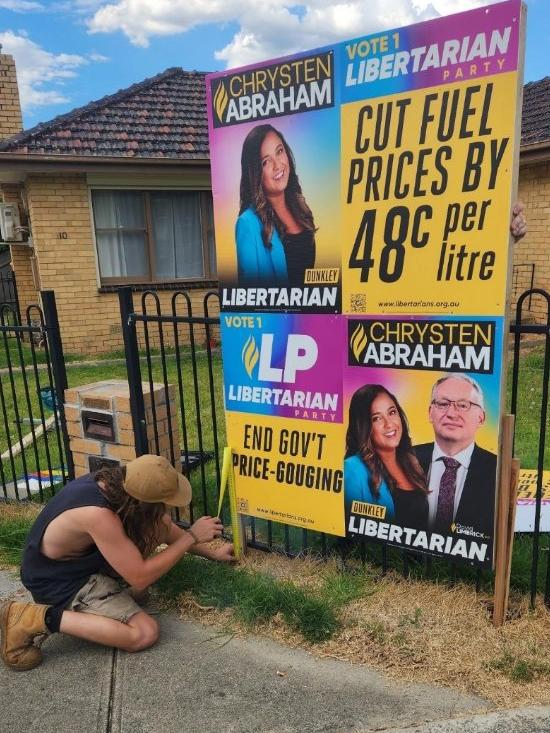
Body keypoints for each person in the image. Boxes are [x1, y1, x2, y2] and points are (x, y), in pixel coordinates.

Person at [0, 454, 234, 672]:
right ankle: (35, 617)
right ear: (145, 502)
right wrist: (191, 536)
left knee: (150, 544)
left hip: (76, 564)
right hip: (57, 582)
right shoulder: (99, 515)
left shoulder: (115, 484)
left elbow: (162, 526)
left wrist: (212, 554)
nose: (168, 507)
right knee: (144, 633)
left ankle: (102, 599)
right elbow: (140, 577)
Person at [236, 123, 316, 286]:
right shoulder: (248, 223)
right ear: (255, 172)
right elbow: (250, 295)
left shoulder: (300, 207)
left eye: (279, 151)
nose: (278, 165)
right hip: (279, 312)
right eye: (266, 162)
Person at [414, 375, 495, 537]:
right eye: (443, 404)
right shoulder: (402, 459)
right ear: (430, 413)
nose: (451, 413)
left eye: (463, 405)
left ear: (481, 418)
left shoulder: (497, 470)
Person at [345, 384, 429, 529]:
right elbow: (352, 530)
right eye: (377, 418)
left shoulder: (412, 461)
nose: (389, 424)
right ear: (363, 426)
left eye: (392, 412)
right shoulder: (353, 469)